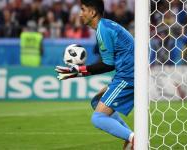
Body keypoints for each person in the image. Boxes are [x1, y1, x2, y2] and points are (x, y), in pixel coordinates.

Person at [55, 0, 134, 149]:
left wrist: (77, 71)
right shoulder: (105, 26)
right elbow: (108, 62)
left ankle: (134, 139)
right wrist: (77, 72)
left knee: (98, 118)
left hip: (128, 77)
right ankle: (130, 137)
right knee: (96, 101)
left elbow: (107, 65)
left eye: (83, 9)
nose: (80, 13)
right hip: (128, 73)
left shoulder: (103, 30)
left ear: (92, 12)